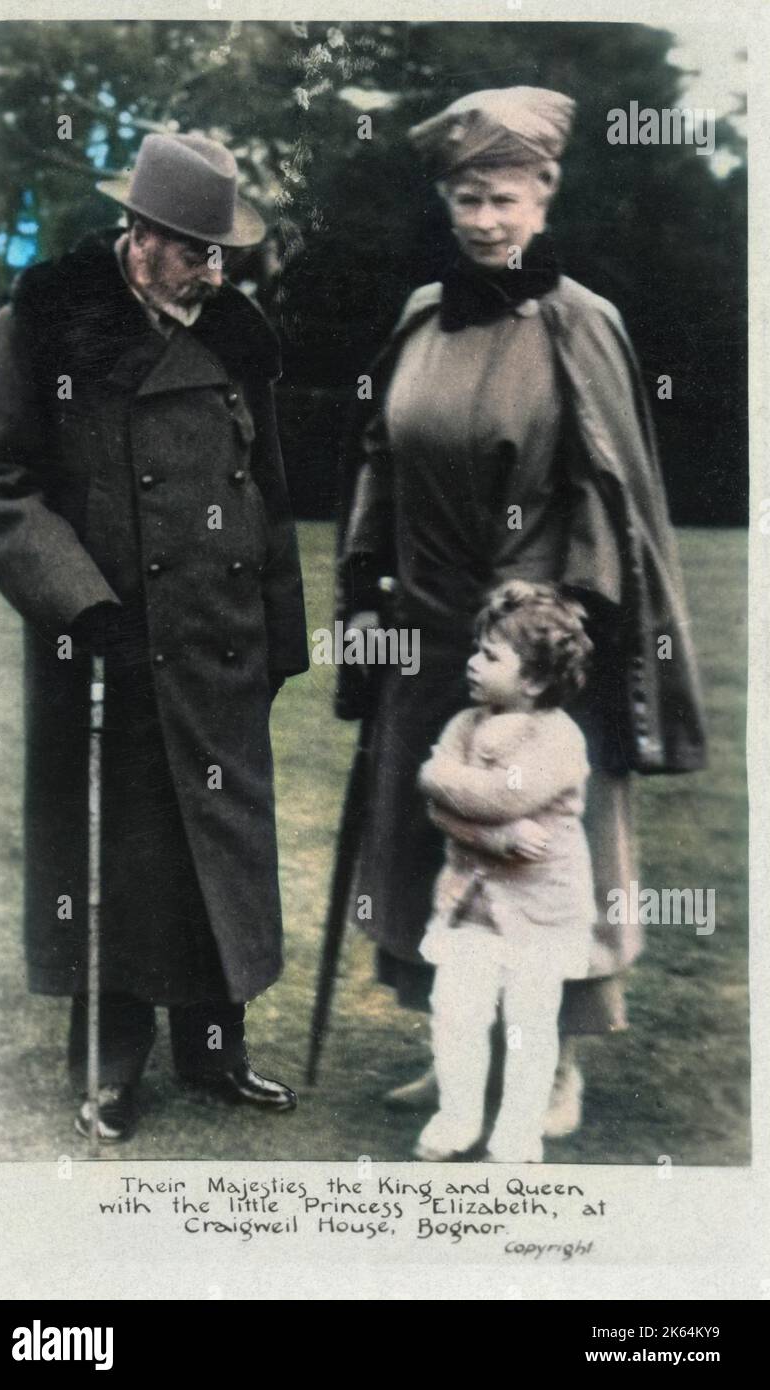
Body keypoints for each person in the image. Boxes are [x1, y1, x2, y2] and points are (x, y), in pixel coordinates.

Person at [333, 88, 706, 1133]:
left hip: (539, 639)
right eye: (464, 198)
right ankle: (451, 1041)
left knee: (543, 840)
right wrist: (366, 587)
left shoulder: (582, 324)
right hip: (431, 620)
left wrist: (553, 623)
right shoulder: (420, 315)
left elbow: (608, 490)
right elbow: (378, 463)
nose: (482, 219)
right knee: (431, 830)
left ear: (544, 196)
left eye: (501, 198)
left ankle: (552, 1065)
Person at [0, 131, 308, 1142]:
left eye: (221, 251)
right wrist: (83, 604)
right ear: (138, 233)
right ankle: (109, 1066)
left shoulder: (239, 335)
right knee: (116, 855)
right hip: (105, 644)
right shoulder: (45, 323)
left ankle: (216, 1054)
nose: (213, 269)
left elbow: (270, 491)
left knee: (218, 846)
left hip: (219, 640)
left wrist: (281, 633)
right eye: (191, 249)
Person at [414, 581, 595, 1163]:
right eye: (476, 649)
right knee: (457, 1012)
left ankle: (518, 1133)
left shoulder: (558, 738)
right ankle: (457, 1118)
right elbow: (440, 804)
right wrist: (490, 834)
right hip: (470, 906)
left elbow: (497, 796)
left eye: (490, 655)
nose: (472, 662)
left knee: (529, 1024)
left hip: (540, 913)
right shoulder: (465, 724)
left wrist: (443, 782)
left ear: (536, 680)